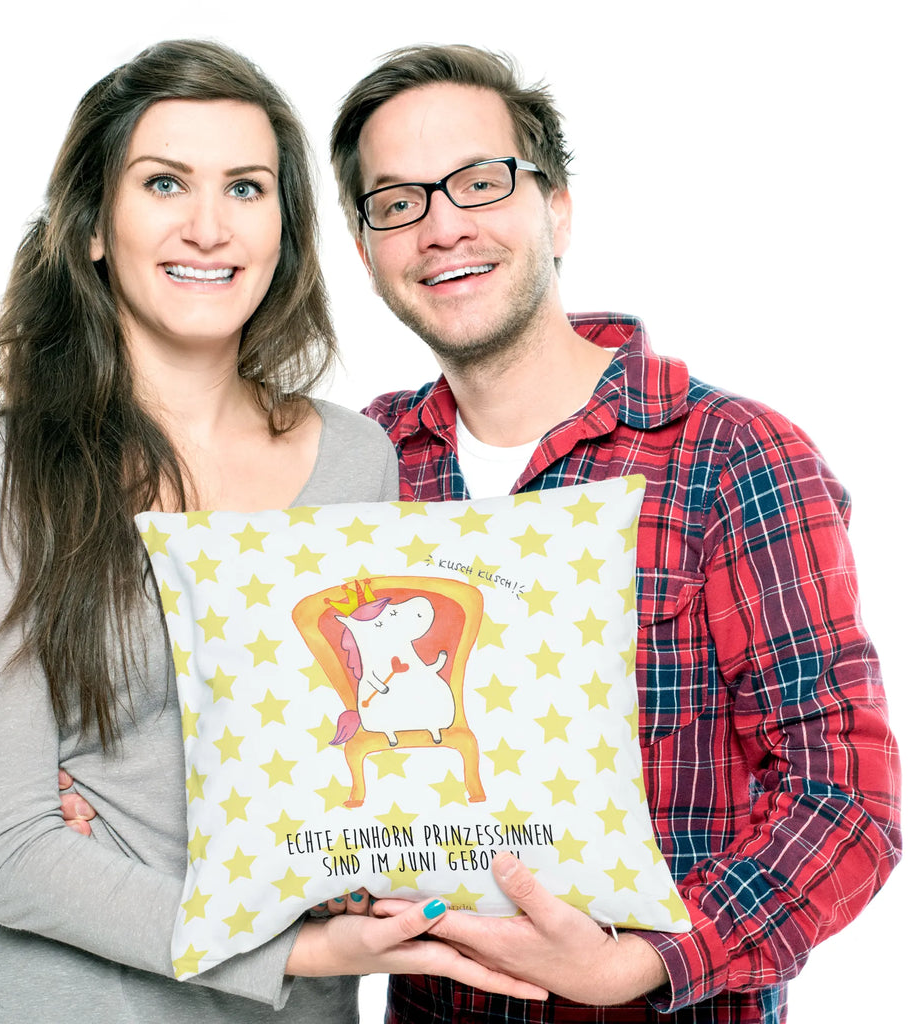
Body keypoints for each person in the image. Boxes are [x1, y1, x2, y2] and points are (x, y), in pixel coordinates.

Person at [0, 39, 547, 1024]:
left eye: (245, 188)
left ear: (284, 229)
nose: (208, 228)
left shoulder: (359, 460)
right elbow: (8, 854)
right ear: (94, 225)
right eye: (164, 182)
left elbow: (373, 764)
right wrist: (299, 945)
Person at [324, 44, 902, 1023]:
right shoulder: (363, 462)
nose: (442, 225)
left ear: (556, 208)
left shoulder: (732, 455)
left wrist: (639, 962)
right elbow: (283, 744)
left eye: (478, 181)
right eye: (398, 201)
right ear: (366, 248)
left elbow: (846, 803)